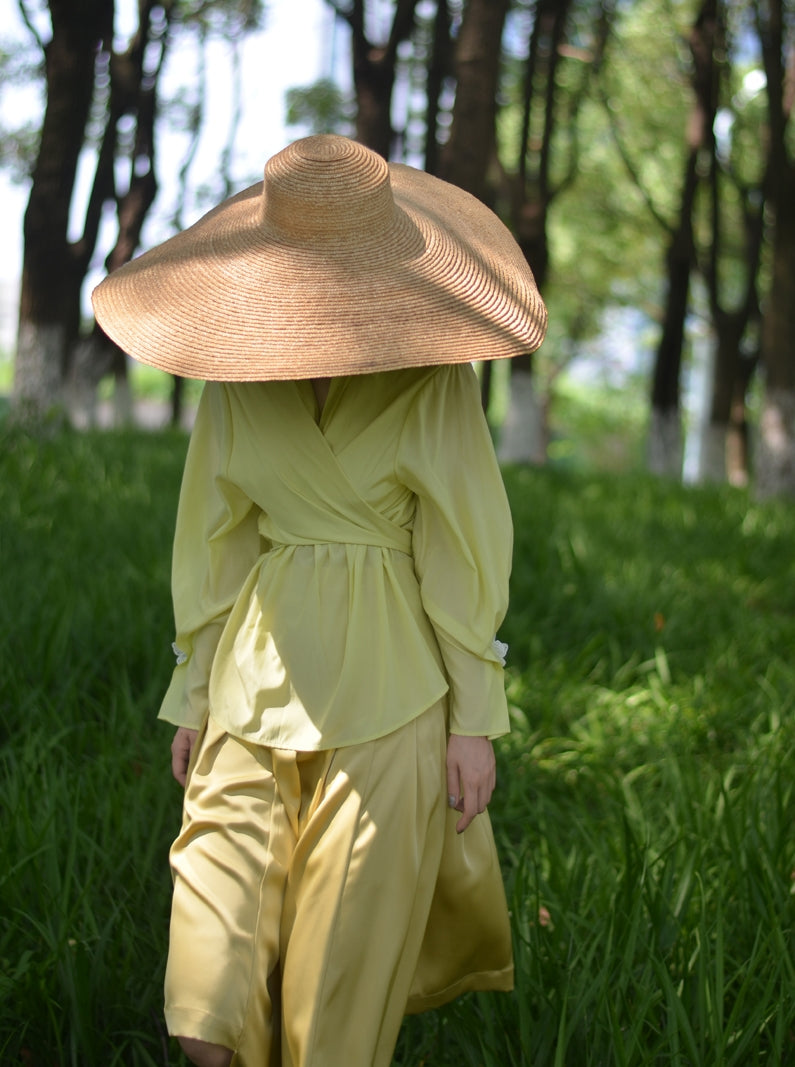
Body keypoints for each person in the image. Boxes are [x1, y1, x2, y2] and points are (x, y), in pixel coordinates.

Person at [92, 134, 547, 1067]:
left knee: (331, 1015)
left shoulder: (433, 378)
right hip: (252, 686)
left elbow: (462, 546)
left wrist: (474, 718)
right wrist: (192, 691)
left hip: (392, 701)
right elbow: (213, 540)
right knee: (204, 1010)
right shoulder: (235, 377)